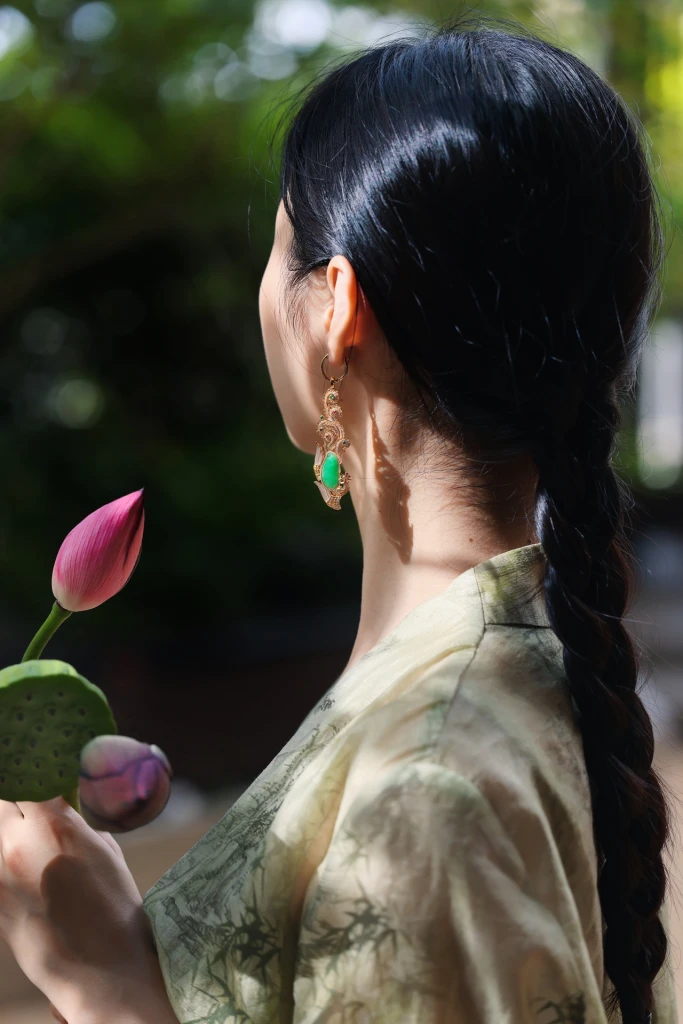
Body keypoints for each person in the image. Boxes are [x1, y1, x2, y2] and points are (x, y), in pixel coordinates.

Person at [0, 13, 677, 1024]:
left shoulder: (427, 786)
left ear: (336, 310)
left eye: (278, 252)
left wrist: (112, 986)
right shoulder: (530, 666)